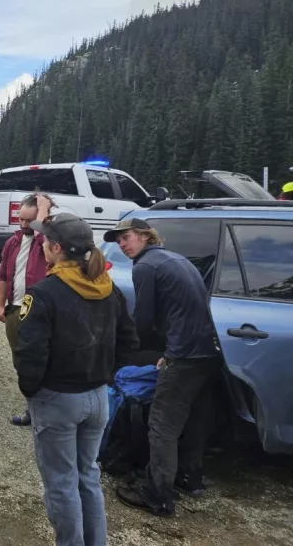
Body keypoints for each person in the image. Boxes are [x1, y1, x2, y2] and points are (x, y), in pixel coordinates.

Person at [14, 213, 140, 546]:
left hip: (58, 399)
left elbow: (30, 353)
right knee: (88, 476)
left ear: (56, 248)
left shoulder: (44, 293)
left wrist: (32, 391)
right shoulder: (107, 287)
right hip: (98, 398)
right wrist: (105, 377)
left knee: (61, 482)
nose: (40, 243)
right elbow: (130, 342)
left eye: (45, 241)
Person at [105, 218, 223, 517]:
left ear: (145, 235)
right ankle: (190, 478)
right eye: (118, 240)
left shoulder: (146, 266)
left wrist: (124, 354)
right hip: (209, 350)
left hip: (184, 354)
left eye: (126, 237)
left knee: (162, 423)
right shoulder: (177, 259)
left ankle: (157, 495)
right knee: (195, 415)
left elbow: (142, 320)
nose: (122, 244)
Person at [0, 193, 53, 426]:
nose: (24, 225)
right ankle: (33, 407)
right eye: (20, 219)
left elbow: (44, 235)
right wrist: (0, 304)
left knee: (43, 360)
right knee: (21, 361)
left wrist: (44, 208)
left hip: (38, 311)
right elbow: (2, 275)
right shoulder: (13, 242)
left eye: (29, 220)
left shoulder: (47, 242)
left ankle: (44, 410)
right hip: (15, 309)